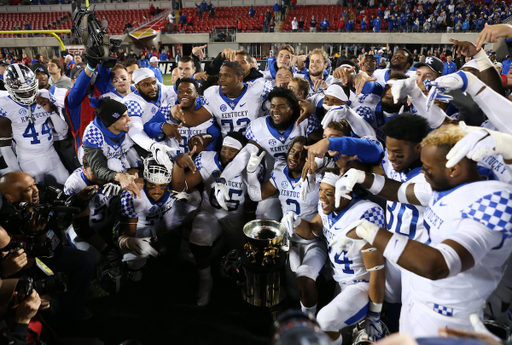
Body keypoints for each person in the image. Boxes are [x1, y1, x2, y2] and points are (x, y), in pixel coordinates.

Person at [328, 124, 512, 337]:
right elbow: (399, 191)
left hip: (452, 315)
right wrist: (361, 177)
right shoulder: (445, 183)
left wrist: (370, 232)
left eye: (427, 168)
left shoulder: (490, 203)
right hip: (422, 295)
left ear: (453, 169)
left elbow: (440, 264)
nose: (422, 172)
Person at [281, 170, 387, 344]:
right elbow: (312, 231)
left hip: (361, 285)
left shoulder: (366, 213)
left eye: (329, 192)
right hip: (341, 282)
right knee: (335, 335)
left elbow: (377, 271)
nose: (321, 196)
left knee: (325, 321)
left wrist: (375, 314)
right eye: (321, 190)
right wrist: (295, 221)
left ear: (347, 193)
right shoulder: (328, 207)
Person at [247, 136, 326, 315]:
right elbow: (256, 195)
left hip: (313, 240)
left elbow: (318, 228)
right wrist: (251, 172)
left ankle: (310, 323)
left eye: (301, 154)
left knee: (306, 280)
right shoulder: (280, 173)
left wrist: (297, 221)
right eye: (292, 151)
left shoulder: (320, 179)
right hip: (288, 241)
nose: (294, 157)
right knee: (292, 292)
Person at [172, 133, 251, 305]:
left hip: (235, 218)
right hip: (210, 211)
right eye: (224, 149)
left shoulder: (249, 167)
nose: (226, 154)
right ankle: (206, 280)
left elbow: (254, 199)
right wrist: (178, 164)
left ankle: (223, 250)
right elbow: (181, 186)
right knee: (198, 237)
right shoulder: (207, 159)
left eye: (232, 151)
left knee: (241, 257)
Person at [0, 64, 70, 186]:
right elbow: (5, 146)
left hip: (51, 154)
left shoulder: (44, 95)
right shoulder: (5, 105)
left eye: (30, 89)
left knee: (68, 190)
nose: (27, 93)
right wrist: (17, 174)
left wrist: (51, 111)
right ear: (9, 90)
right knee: (39, 199)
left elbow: (63, 132)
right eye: (22, 92)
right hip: (28, 160)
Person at [122, 68, 178, 173]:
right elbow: (134, 129)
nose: (152, 87)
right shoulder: (132, 101)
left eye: (153, 83)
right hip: (142, 149)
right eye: (146, 85)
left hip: (166, 143)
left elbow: (177, 89)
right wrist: (152, 146)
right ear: (136, 87)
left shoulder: (161, 89)